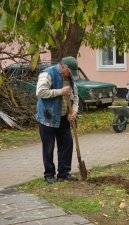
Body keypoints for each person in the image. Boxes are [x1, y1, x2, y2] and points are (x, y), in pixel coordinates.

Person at [36, 56, 79, 184]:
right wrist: (60, 91)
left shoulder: (70, 79)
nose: (70, 75)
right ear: (63, 67)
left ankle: (64, 173)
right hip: (47, 117)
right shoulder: (47, 74)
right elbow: (40, 92)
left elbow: (75, 97)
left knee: (67, 144)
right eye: (70, 72)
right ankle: (49, 174)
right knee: (48, 147)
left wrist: (74, 112)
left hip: (63, 118)